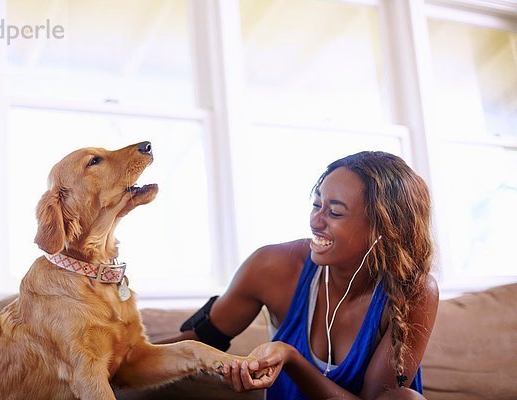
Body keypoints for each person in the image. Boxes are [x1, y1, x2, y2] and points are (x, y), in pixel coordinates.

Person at [165, 151, 439, 400]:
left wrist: (291, 358)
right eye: (316, 204)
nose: (315, 222)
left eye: (334, 212)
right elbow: (200, 339)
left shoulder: (412, 290)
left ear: (383, 228)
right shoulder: (272, 266)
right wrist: (125, 353)